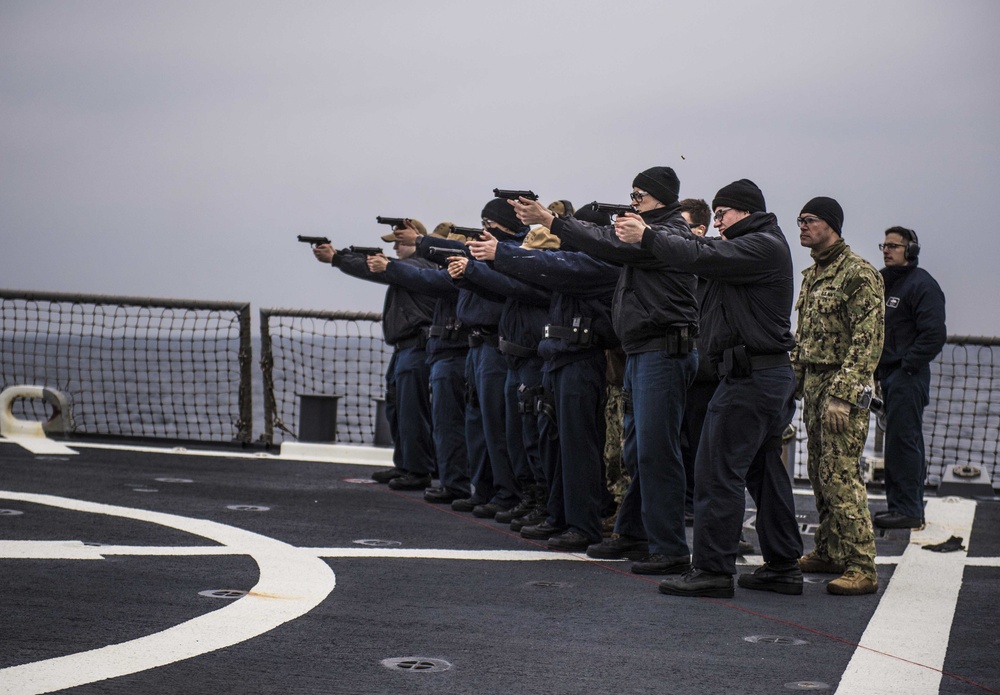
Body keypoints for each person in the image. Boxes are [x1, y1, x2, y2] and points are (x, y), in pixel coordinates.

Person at [616, 178, 803, 598]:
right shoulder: (753, 248)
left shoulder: (761, 246)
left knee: (716, 471)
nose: (716, 222)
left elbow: (701, 253)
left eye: (723, 213)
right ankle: (783, 564)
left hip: (751, 377)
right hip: (759, 376)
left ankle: (714, 570)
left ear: (747, 211)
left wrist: (648, 235)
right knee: (763, 471)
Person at [514, 167, 700, 574]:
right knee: (638, 452)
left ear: (661, 197)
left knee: (656, 452)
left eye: (639, 196)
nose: (633, 203)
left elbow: (606, 243)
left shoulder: (666, 236)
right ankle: (634, 532)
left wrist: (552, 221)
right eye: (632, 196)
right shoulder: (650, 231)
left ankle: (669, 548)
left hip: (661, 352)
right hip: (642, 352)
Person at [484, 205, 621, 551]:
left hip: (580, 360)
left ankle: (584, 525)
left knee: (578, 448)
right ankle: (561, 516)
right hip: (560, 359)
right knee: (561, 447)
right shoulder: (577, 260)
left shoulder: (596, 263)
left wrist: (500, 252)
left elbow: (550, 267)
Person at [791, 196, 884, 596]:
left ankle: (862, 565)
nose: (803, 227)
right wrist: (792, 385)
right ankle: (828, 550)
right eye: (800, 221)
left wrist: (843, 396)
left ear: (831, 224)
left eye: (809, 220)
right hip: (813, 385)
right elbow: (805, 337)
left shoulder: (858, 274)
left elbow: (868, 342)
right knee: (819, 473)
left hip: (840, 390)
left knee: (841, 474)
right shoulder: (813, 275)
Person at [311, 221, 437, 490]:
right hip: (404, 349)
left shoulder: (422, 267)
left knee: (413, 412)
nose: (395, 247)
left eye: (400, 242)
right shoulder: (406, 270)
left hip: (416, 348)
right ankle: (405, 464)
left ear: (418, 241)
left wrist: (337, 258)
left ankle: (418, 470)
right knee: (398, 410)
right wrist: (340, 256)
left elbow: (378, 271)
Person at [369, 223, 473, 503]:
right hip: (435, 350)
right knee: (421, 415)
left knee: (443, 421)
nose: (395, 247)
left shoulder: (442, 273)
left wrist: (389, 266)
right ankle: (430, 471)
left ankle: (439, 476)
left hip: (438, 351)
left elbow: (425, 279)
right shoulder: (441, 272)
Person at [874, 226, 946, 529]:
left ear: (910, 250)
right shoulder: (883, 282)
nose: (887, 251)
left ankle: (909, 510)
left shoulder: (922, 286)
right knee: (896, 443)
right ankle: (899, 506)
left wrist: (906, 367)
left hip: (908, 377)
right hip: (888, 375)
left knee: (905, 442)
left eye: (894, 246)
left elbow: (934, 335)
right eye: (885, 245)